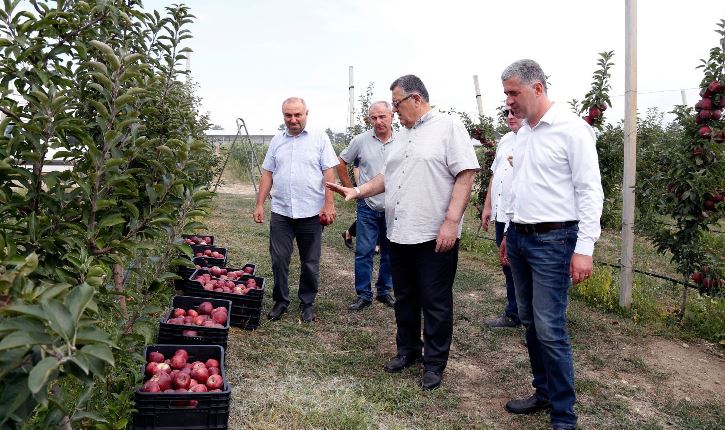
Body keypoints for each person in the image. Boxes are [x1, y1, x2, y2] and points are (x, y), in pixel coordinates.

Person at [327, 75, 479, 390]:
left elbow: (466, 174)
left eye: (396, 104)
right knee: (406, 297)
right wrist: (358, 191)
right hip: (399, 232)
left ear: (415, 99)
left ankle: (434, 363)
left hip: (434, 234)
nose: (394, 112)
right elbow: (387, 175)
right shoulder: (401, 138)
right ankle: (408, 349)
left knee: (435, 301)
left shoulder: (448, 127)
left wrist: (451, 221)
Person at [498, 60, 603, 430]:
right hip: (523, 239)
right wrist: (509, 231)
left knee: (550, 327)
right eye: (506, 93)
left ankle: (564, 415)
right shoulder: (523, 133)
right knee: (529, 319)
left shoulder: (572, 131)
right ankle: (543, 392)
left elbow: (590, 191)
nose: (508, 101)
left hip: (555, 240)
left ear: (538, 88)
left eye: (514, 93)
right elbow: (518, 185)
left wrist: (584, 248)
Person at [253, 97, 339, 323]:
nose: (293, 120)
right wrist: (260, 203)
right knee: (279, 259)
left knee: (310, 261)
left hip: (311, 211)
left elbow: (329, 173)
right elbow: (267, 174)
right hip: (281, 211)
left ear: (306, 113)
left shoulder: (320, 139)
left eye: (297, 115)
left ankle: (307, 302)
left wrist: (328, 203)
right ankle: (281, 301)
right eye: (288, 115)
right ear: (283, 116)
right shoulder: (276, 140)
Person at [336, 101, 396, 311]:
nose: (378, 121)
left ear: (392, 116)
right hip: (367, 206)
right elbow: (341, 161)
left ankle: (384, 291)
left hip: (393, 208)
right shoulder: (360, 140)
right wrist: (350, 189)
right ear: (369, 119)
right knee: (364, 251)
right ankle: (363, 294)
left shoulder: (403, 140)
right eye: (374, 118)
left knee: (390, 252)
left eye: (383, 117)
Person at [481, 109, 523, 328]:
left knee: (527, 268)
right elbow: (495, 175)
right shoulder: (505, 140)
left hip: (521, 216)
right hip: (501, 213)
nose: (510, 116)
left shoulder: (532, 140)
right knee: (507, 263)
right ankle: (513, 312)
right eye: (507, 112)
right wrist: (488, 206)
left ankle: (534, 323)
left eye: (515, 112)